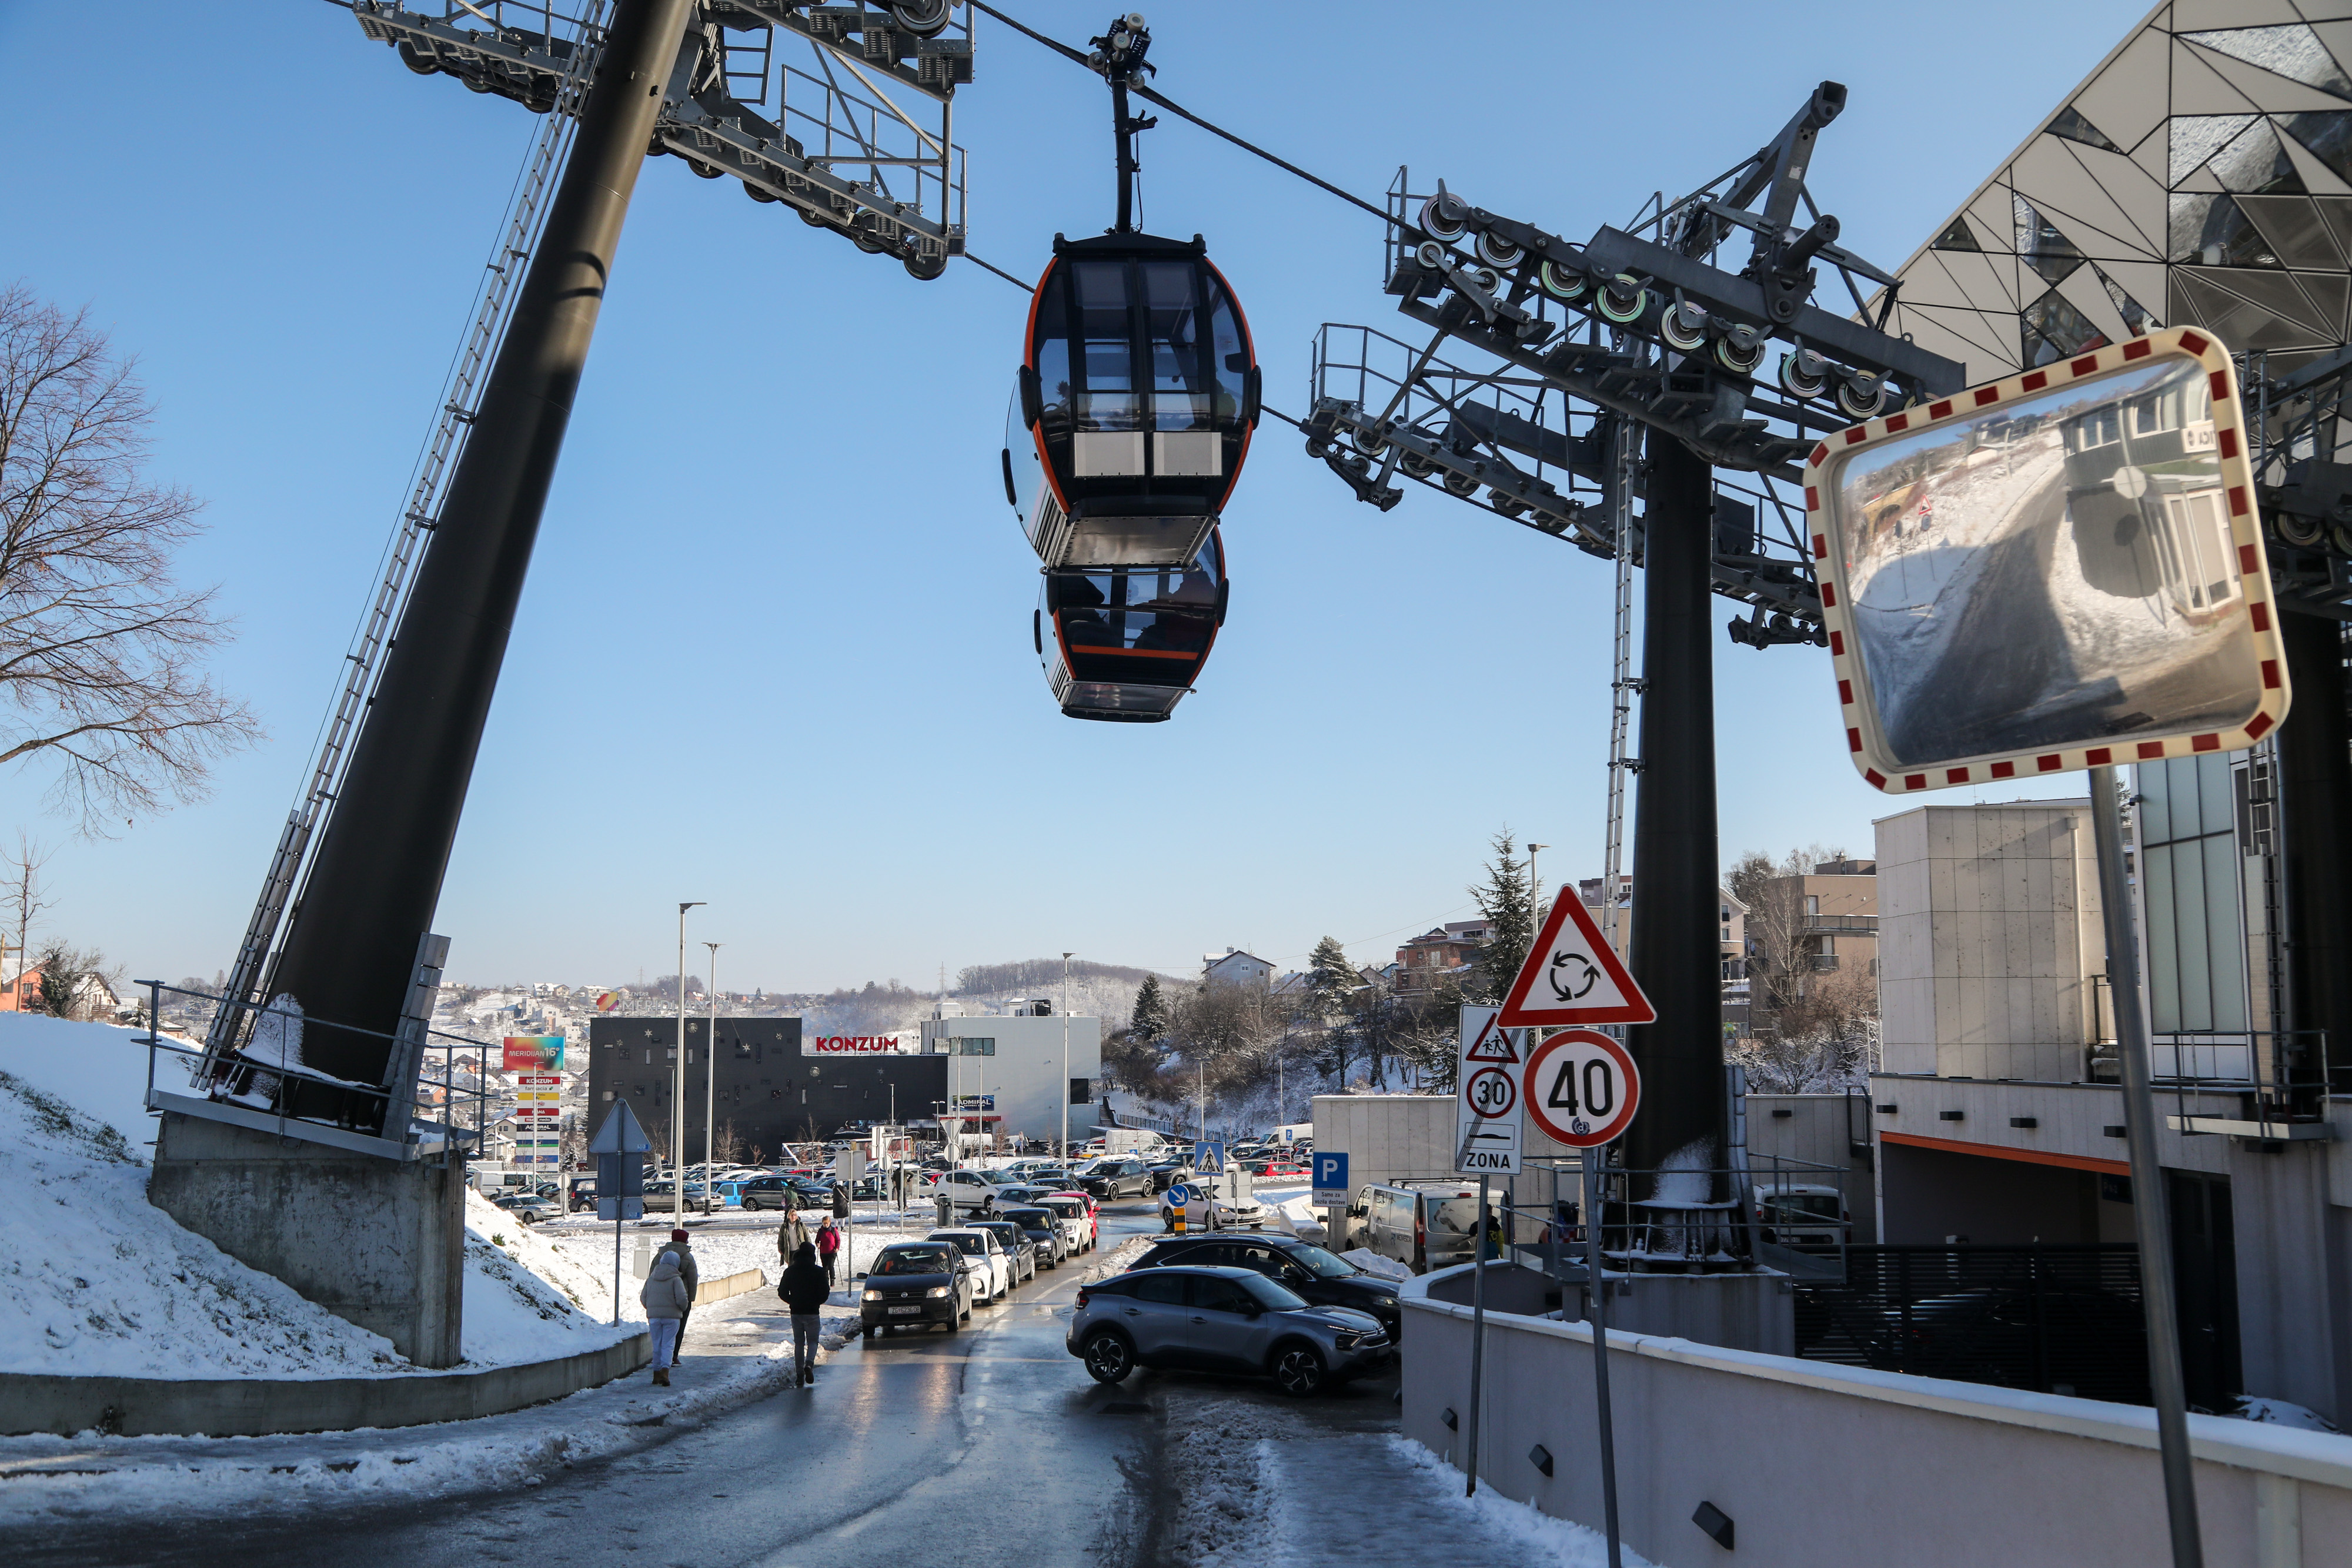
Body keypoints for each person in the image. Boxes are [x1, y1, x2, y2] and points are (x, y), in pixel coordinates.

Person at [777, 1241, 830, 1388]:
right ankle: (809, 1364)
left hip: (796, 1312)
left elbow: (782, 1292)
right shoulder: (819, 1272)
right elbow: (825, 1292)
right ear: (812, 1256)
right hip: (812, 1312)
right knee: (813, 1342)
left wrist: (792, 1302)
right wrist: (817, 1303)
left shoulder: (790, 1271)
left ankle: (800, 1375)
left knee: (799, 1343)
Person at [640, 1251, 688, 1386]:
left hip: (654, 1317)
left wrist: (652, 1309)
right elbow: (682, 1299)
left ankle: (656, 1375)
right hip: (672, 1318)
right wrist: (681, 1309)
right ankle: (665, 1373)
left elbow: (643, 1298)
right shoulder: (676, 1279)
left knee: (657, 1345)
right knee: (668, 1344)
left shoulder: (651, 1279)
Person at [662, 1228, 699, 1342]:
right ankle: (674, 1355)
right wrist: (690, 1300)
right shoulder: (688, 1258)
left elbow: (652, 1276)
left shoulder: (661, 1256)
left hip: (663, 1298)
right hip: (682, 1299)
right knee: (679, 1329)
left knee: (662, 1331)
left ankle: (662, 1356)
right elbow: (693, 1280)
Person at [816, 1216, 842, 1286]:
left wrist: (837, 1248)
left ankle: (832, 1280)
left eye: (827, 1223)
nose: (826, 1225)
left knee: (830, 1266)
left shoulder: (833, 1230)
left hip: (832, 1252)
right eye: (824, 1223)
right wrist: (818, 1244)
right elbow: (817, 1240)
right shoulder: (821, 1231)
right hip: (823, 1252)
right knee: (825, 1267)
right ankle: (826, 1281)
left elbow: (838, 1240)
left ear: (830, 1223)